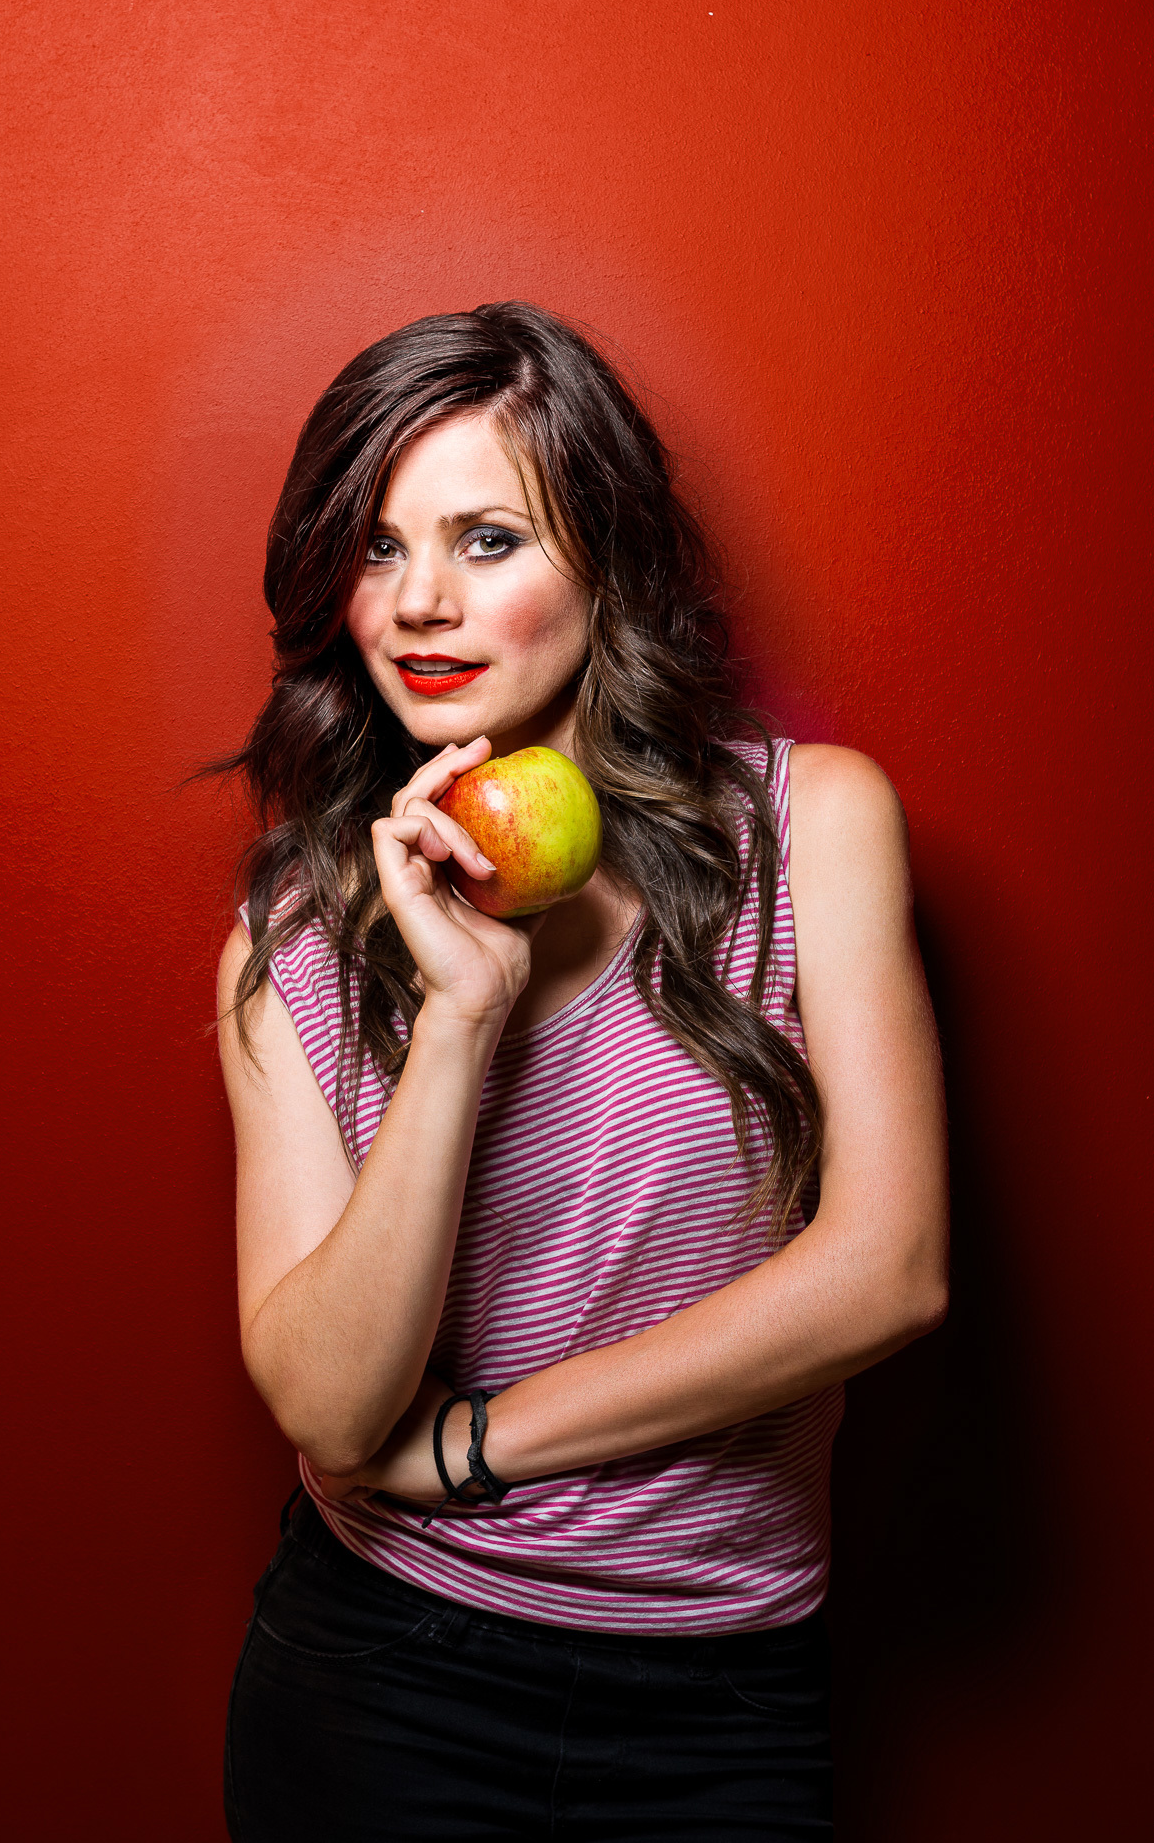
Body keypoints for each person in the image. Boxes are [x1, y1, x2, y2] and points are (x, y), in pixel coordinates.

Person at [215, 301, 949, 1841]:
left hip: (720, 1694)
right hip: (380, 1681)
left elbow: (887, 1272)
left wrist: (482, 1445)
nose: (419, 601)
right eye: (377, 547)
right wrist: (461, 1016)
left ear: (604, 563)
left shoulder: (809, 829)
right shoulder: (291, 939)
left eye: (487, 540)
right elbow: (331, 1411)